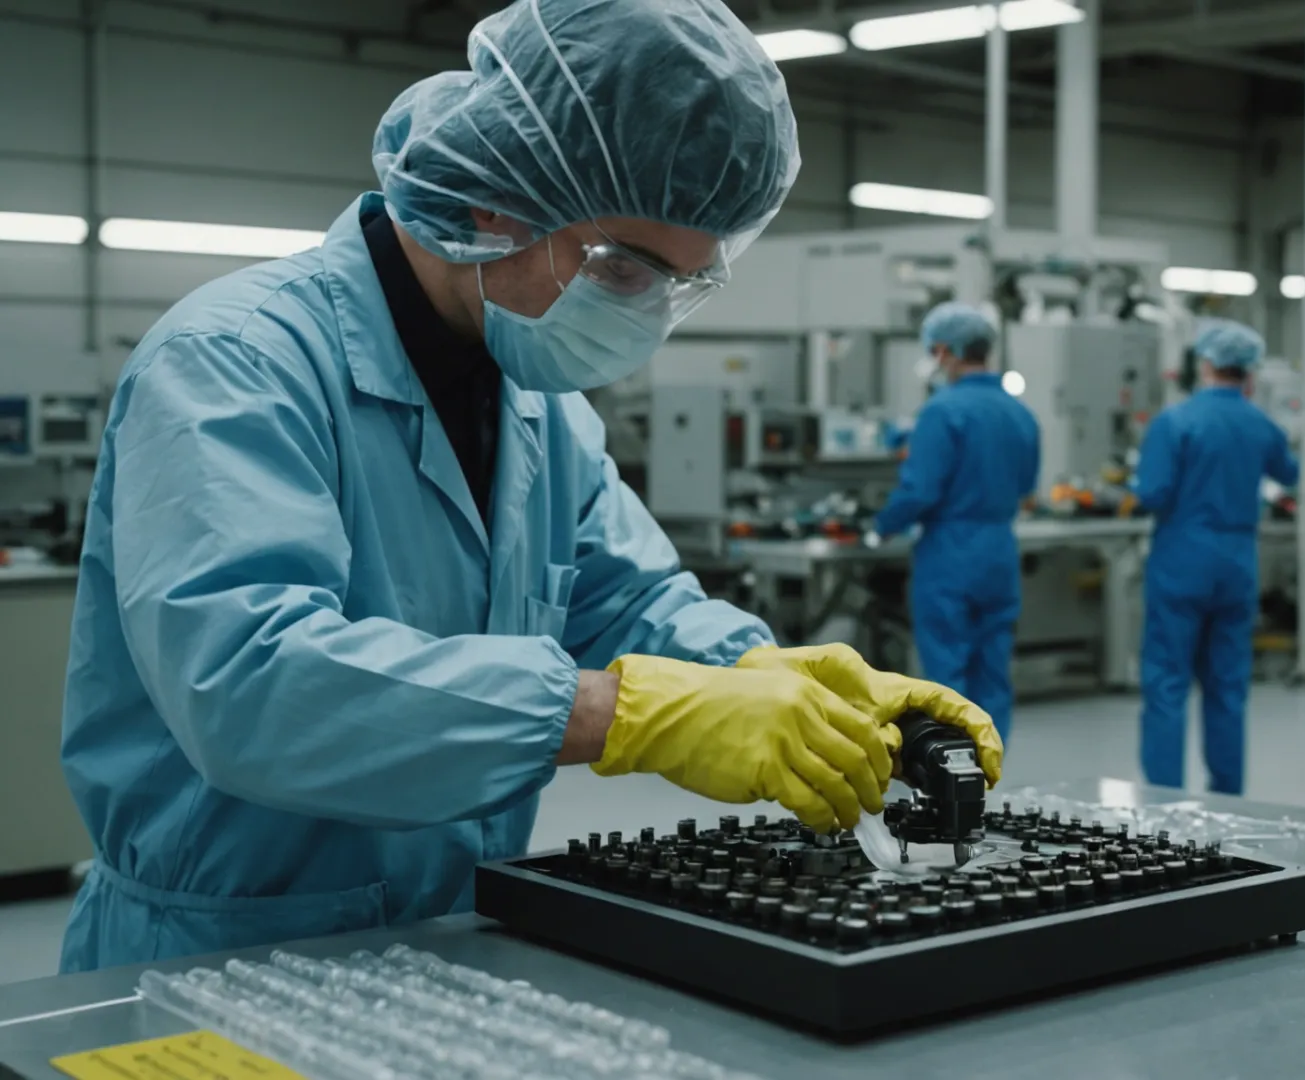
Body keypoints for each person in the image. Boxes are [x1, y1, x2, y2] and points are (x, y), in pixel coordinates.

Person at [57, 0, 999, 973]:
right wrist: (613, 715)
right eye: (629, 271)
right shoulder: (236, 361)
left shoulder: (540, 401)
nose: (644, 316)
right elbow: (251, 685)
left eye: (683, 283)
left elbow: (629, 600)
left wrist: (767, 672)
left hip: (449, 945)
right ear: (501, 202)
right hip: (215, 957)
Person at [1132, 321, 1299, 795]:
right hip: (1237, 563)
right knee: (1227, 686)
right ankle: (1228, 795)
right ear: (1248, 371)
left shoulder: (1175, 421)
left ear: (1203, 364)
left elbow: (1152, 492)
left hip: (1182, 560)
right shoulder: (1260, 423)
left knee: (1167, 683)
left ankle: (1164, 798)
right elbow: (1289, 472)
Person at [867, 304, 1040, 742]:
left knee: (947, 674)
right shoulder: (1020, 414)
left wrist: (880, 526)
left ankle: (951, 778)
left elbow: (920, 491)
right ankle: (989, 772)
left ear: (944, 351)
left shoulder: (942, 412)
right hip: (1000, 552)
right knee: (993, 673)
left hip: (949, 554)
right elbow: (1026, 487)